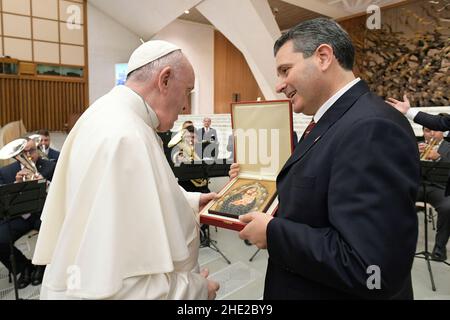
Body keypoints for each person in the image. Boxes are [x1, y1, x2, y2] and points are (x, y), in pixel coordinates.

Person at [233, 18, 420, 299]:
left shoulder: (372, 127)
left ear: (323, 57)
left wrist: (274, 233)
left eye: (285, 70)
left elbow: (369, 266)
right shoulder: (335, 121)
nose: (279, 86)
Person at [32, 40, 219, 300]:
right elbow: (121, 288)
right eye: (187, 91)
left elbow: (132, 194)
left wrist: (193, 201)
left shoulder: (109, 116)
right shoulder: (126, 135)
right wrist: (197, 290)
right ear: (164, 80)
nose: (186, 106)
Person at [0, 138, 56, 288]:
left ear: (37, 149)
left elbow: (60, 194)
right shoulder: (6, 172)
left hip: (41, 214)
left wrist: (45, 183)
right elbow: (4, 202)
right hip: (19, 217)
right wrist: (16, 185)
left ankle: (43, 265)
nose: (28, 155)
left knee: (55, 232)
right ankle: (24, 267)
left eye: (31, 150)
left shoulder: (50, 167)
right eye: (24, 152)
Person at [417, 127, 450, 261]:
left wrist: (439, 159)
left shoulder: (449, 147)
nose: (430, 134)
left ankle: (439, 249)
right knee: (394, 198)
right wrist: (412, 153)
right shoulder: (414, 145)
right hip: (417, 185)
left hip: (440, 188)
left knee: (448, 207)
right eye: (427, 131)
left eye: (435, 130)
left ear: (443, 132)